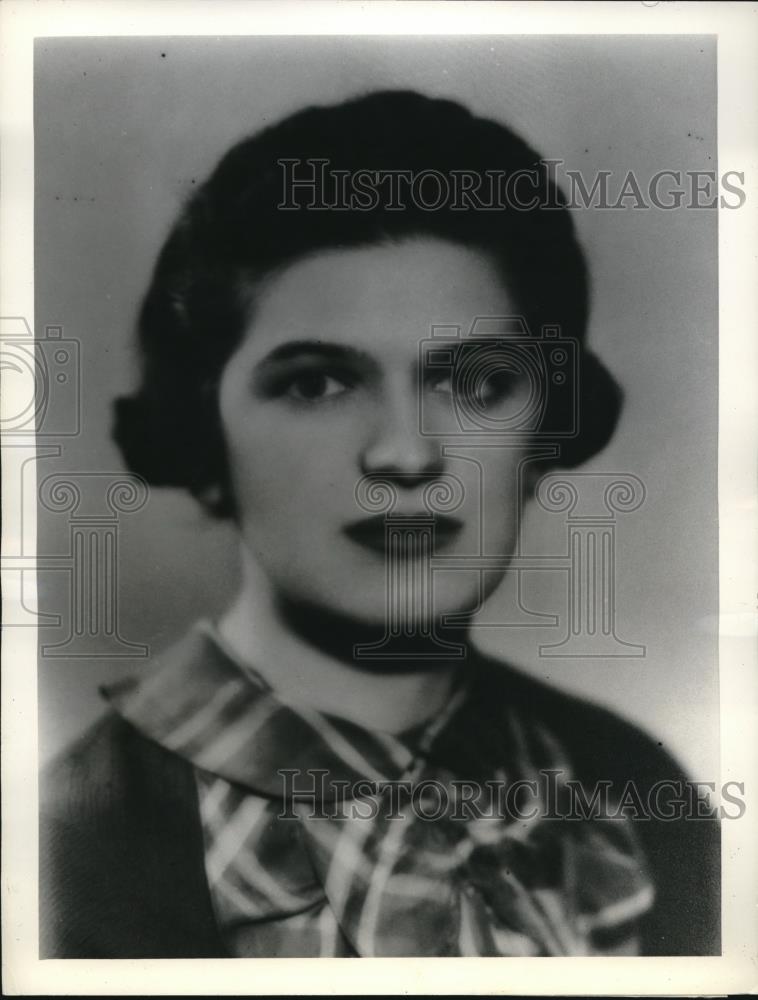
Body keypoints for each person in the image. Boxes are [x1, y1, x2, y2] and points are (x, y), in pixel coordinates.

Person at [40, 89, 719, 958]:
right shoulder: (65, 855)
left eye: (476, 384)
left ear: (544, 432)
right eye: (317, 383)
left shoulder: (630, 785)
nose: (405, 453)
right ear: (203, 432)